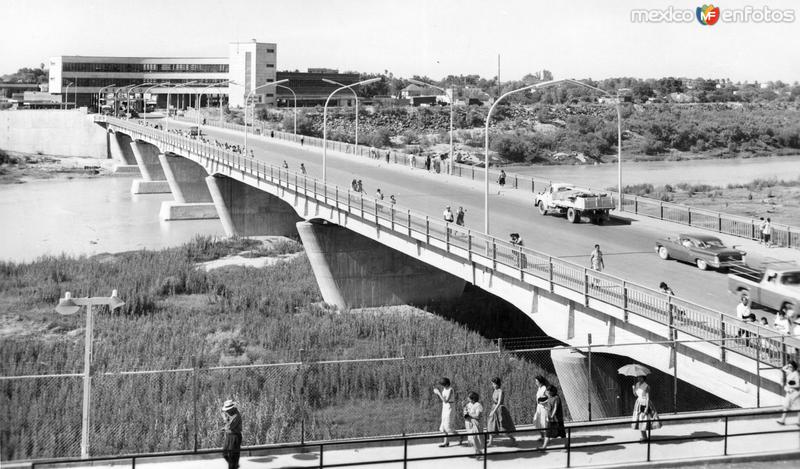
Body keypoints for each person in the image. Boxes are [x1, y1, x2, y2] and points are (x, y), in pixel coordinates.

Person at [487, 377, 516, 446]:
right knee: (491, 425)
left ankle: (513, 439)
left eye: (493, 384)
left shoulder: (500, 391)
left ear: (497, 384)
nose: (493, 385)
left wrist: (493, 411)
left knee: (503, 427)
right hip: (494, 408)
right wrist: (493, 410)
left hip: (500, 410)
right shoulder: (495, 390)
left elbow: (499, 402)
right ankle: (490, 442)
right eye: (492, 384)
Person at [631, 375, 661, 441]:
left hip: (644, 403)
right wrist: (633, 388)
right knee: (639, 420)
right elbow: (635, 395)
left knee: (643, 419)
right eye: (638, 377)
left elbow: (647, 398)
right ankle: (644, 436)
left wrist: (646, 408)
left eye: (641, 377)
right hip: (638, 403)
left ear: (644, 378)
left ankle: (644, 437)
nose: (639, 378)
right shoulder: (637, 384)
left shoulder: (646, 386)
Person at [433, 378, 458, 447]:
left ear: (446, 384)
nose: (442, 386)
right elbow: (442, 399)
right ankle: (446, 442)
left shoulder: (450, 390)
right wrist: (437, 394)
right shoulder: (445, 389)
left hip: (450, 408)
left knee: (448, 426)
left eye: (443, 385)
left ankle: (460, 436)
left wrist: (438, 393)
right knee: (443, 425)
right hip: (445, 408)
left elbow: (446, 400)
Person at [541, 385, 566, 450]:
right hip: (551, 419)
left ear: (552, 392)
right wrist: (543, 403)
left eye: (548, 392)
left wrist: (552, 415)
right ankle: (544, 447)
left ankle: (566, 445)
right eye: (547, 391)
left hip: (556, 419)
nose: (547, 393)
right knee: (548, 433)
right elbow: (548, 403)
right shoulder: (550, 397)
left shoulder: (556, 398)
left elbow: (555, 407)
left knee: (562, 434)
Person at [777, 361, 800, 425]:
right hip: (789, 392)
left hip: (795, 392)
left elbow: (798, 385)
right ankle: (782, 420)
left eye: (791, 366)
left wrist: (790, 386)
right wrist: (787, 365)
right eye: (789, 366)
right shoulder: (789, 372)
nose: (789, 368)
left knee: (798, 407)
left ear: (794, 367)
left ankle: (799, 421)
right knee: (786, 406)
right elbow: (782, 369)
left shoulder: (796, 374)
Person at [221, 400, 242, 469]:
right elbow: (228, 424)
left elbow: (229, 426)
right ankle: (234, 465)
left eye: (228, 410)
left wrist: (224, 419)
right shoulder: (230, 412)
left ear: (232, 408)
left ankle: (233, 466)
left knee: (232, 455)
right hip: (229, 435)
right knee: (225, 453)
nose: (226, 411)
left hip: (235, 436)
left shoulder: (236, 416)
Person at [463, 391, 484, 457]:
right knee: (471, 439)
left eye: (469, 397)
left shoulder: (478, 405)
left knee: (475, 438)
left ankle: (477, 453)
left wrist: (469, 414)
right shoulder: (468, 404)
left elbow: (478, 416)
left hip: (476, 424)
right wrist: (464, 410)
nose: (467, 398)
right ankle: (478, 452)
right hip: (469, 423)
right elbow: (465, 412)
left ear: (473, 399)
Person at [532, 376, 550, 440]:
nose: (536, 383)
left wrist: (544, 402)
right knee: (537, 421)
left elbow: (549, 398)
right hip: (539, 408)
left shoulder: (544, 388)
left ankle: (546, 438)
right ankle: (542, 436)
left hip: (544, 408)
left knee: (544, 423)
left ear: (540, 382)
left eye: (537, 381)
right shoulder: (539, 388)